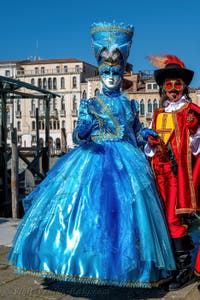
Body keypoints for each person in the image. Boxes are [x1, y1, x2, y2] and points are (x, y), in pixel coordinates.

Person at [8, 22, 176, 288]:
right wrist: (84, 130)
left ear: (122, 75)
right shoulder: (90, 103)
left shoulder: (129, 103)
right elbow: (77, 136)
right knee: (81, 212)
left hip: (126, 162)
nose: (111, 77)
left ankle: (124, 268)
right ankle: (71, 263)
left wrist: (148, 135)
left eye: (115, 72)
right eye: (106, 72)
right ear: (101, 72)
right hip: (92, 159)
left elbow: (136, 128)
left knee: (124, 218)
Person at [145, 54, 200, 290]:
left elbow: (197, 147)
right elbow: (149, 150)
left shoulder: (192, 111)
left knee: (173, 218)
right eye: (168, 85)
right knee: (162, 220)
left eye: (177, 84)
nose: (173, 89)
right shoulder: (158, 115)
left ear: (184, 86)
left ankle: (184, 270)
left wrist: (195, 129)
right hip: (159, 175)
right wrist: (150, 142)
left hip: (179, 176)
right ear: (163, 88)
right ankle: (173, 267)